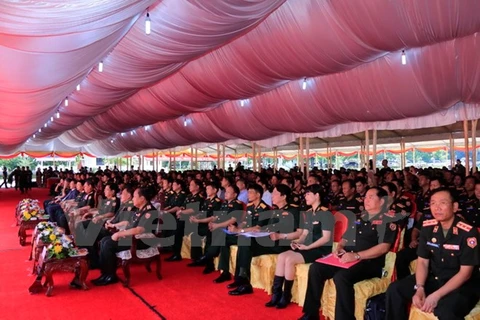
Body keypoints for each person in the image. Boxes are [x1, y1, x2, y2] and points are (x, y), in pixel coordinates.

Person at [299, 187, 398, 320]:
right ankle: (311, 313)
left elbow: (383, 247)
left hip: (368, 262)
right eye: (366, 197)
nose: (366, 200)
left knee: (341, 277)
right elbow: (345, 238)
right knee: (316, 268)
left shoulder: (388, 220)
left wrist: (357, 256)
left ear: (381, 201)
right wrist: (339, 247)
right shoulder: (359, 217)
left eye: (371, 197)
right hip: (347, 257)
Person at [385, 188, 480, 320]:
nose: (437, 208)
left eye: (442, 203)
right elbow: (423, 261)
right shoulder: (428, 227)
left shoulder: (468, 232)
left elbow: (465, 273)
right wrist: (420, 288)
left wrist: (436, 295)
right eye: (433, 203)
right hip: (435, 277)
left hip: (461, 284)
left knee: (445, 310)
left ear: (455, 206)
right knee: (395, 290)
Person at [266, 184, 334, 309]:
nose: (305, 196)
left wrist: (308, 247)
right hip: (307, 246)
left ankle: (286, 296)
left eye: (308, 194)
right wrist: (298, 242)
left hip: (320, 249)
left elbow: (326, 238)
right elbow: (304, 233)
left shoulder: (326, 213)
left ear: (317, 195)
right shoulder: (308, 213)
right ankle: (276, 294)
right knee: (282, 256)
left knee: (289, 259)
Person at [228, 184, 298, 296]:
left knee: (246, 241)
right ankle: (241, 279)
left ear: (283, 196)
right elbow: (267, 228)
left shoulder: (293, 210)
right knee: (244, 240)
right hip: (268, 240)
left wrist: (281, 236)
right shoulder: (275, 210)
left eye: (275, 193)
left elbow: (297, 232)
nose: (272, 196)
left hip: (281, 243)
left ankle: (244, 282)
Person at [92, 187, 157, 286]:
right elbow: (129, 222)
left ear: (142, 198)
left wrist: (119, 234)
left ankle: (111, 276)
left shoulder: (149, 211)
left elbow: (140, 229)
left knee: (108, 244)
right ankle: (105, 273)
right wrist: (114, 225)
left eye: (135, 197)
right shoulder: (140, 209)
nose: (133, 199)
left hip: (141, 241)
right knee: (104, 240)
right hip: (133, 237)